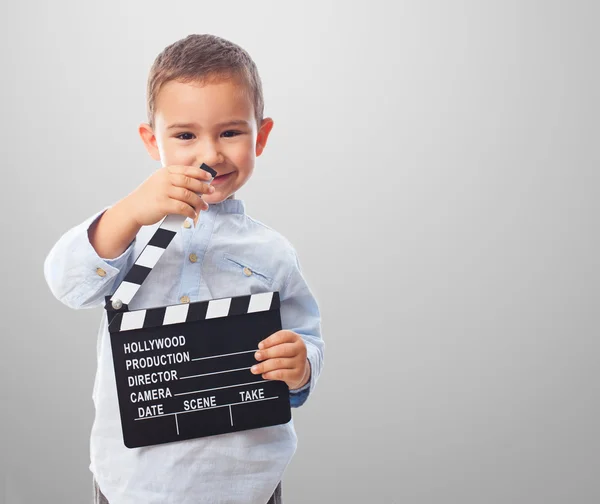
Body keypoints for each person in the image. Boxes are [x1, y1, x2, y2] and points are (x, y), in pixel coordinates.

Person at [43, 33, 324, 504]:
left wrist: (301, 366)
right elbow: (66, 282)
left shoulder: (273, 252)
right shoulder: (129, 231)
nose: (210, 155)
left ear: (263, 135)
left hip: (247, 484)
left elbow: (306, 340)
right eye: (185, 135)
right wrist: (130, 211)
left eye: (231, 133)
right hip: (134, 483)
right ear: (153, 141)